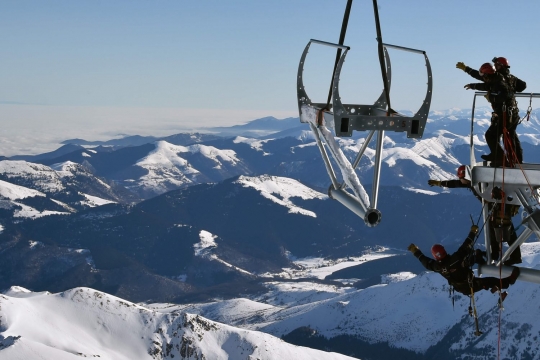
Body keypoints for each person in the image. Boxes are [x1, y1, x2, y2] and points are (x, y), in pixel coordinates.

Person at [428, 165, 522, 265]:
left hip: (500, 208)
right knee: (493, 229)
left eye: (461, 178)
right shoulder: (473, 183)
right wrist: (440, 183)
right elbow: (456, 183)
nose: (460, 180)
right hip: (496, 208)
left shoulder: (480, 183)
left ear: (466, 177)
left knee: (506, 230)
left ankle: (514, 256)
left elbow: (496, 189)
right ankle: (495, 254)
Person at [407, 225, 520, 296]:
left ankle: (478, 258)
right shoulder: (454, 259)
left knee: (468, 263)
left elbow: (425, 261)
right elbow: (466, 246)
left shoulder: (437, 266)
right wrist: (473, 232)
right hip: (471, 285)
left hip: (461, 288)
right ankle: (508, 281)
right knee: (490, 281)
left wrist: (416, 251)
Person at [457, 59, 527, 163]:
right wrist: (469, 75)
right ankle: (515, 160)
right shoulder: (508, 78)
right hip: (513, 112)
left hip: (505, 113)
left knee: (491, 135)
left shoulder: (499, 79)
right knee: (510, 136)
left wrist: (491, 98)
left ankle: (500, 158)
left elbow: (501, 92)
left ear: (501, 66)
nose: (495, 66)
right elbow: (487, 84)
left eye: (496, 65)